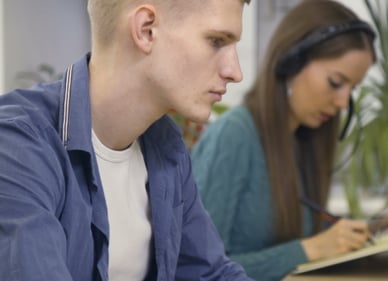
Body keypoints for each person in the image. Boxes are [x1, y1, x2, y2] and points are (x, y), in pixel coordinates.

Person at [0, 0, 254, 280]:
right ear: (146, 30)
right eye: (216, 41)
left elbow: (212, 273)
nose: (235, 72)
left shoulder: (166, 146)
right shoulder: (16, 145)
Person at [191, 0, 388, 280]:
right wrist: (309, 249)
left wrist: (368, 232)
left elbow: (295, 238)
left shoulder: (301, 139)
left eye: (352, 89)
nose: (343, 102)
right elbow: (199, 270)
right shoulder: (233, 136)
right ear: (290, 63)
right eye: (335, 82)